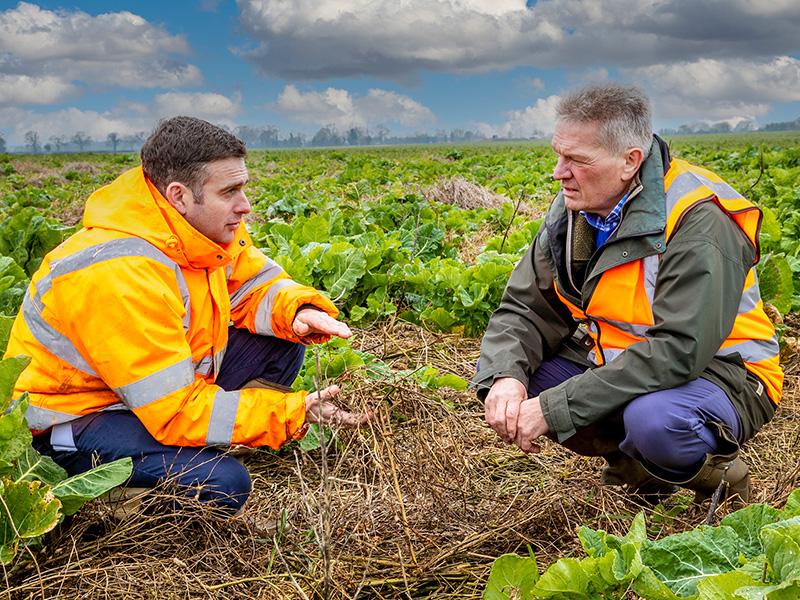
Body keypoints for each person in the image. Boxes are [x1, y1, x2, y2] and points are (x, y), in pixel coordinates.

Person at [6, 116, 371, 513]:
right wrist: (291, 412)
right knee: (226, 486)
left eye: (243, 187)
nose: (244, 206)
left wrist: (298, 310)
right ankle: (90, 499)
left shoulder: (202, 230)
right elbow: (175, 407)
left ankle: (195, 451)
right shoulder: (120, 271)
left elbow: (253, 284)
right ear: (179, 195)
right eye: (229, 191)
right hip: (77, 421)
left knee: (282, 344)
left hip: (148, 396)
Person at [474, 82, 783, 503]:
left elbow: (678, 351)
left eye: (576, 160)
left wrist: (554, 409)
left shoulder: (697, 219)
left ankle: (721, 479)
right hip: (622, 360)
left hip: (724, 372)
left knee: (656, 421)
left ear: (629, 162)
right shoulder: (576, 210)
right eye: (558, 155)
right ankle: (644, 472)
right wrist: (505, 378)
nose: (558, 172)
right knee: (523, 383)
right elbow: (524, 309)